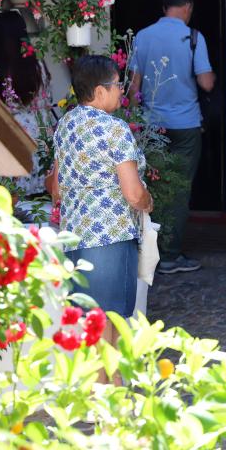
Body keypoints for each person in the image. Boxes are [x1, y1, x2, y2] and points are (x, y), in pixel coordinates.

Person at [54, 56, 153, 341]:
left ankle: (108, 384)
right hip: (110, 237)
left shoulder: (66, 124)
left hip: (74, 237)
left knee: (92, 326)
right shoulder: (114, 128)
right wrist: (148, 203)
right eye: (117, 85)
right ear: (99, 92)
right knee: (111, 323)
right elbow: (133, 193)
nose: (122, 90)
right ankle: (110, 385)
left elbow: (56, 187)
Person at [128, 0, 214, 275]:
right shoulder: (193, 37)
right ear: (187, 7)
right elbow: (206, 83)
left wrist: (135, 118)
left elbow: (133, 86)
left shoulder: (142, 36)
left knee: (152, 185)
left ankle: (149, 251)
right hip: (186, 124)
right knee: (178, 189)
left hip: (152, 126)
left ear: (164, 8)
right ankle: (170, 255)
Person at [0, 10, 56, 222]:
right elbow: (47, 100)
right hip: (39, 135)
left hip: (9, 137)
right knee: (40, 204)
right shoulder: (37, 65)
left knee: (11, 201)